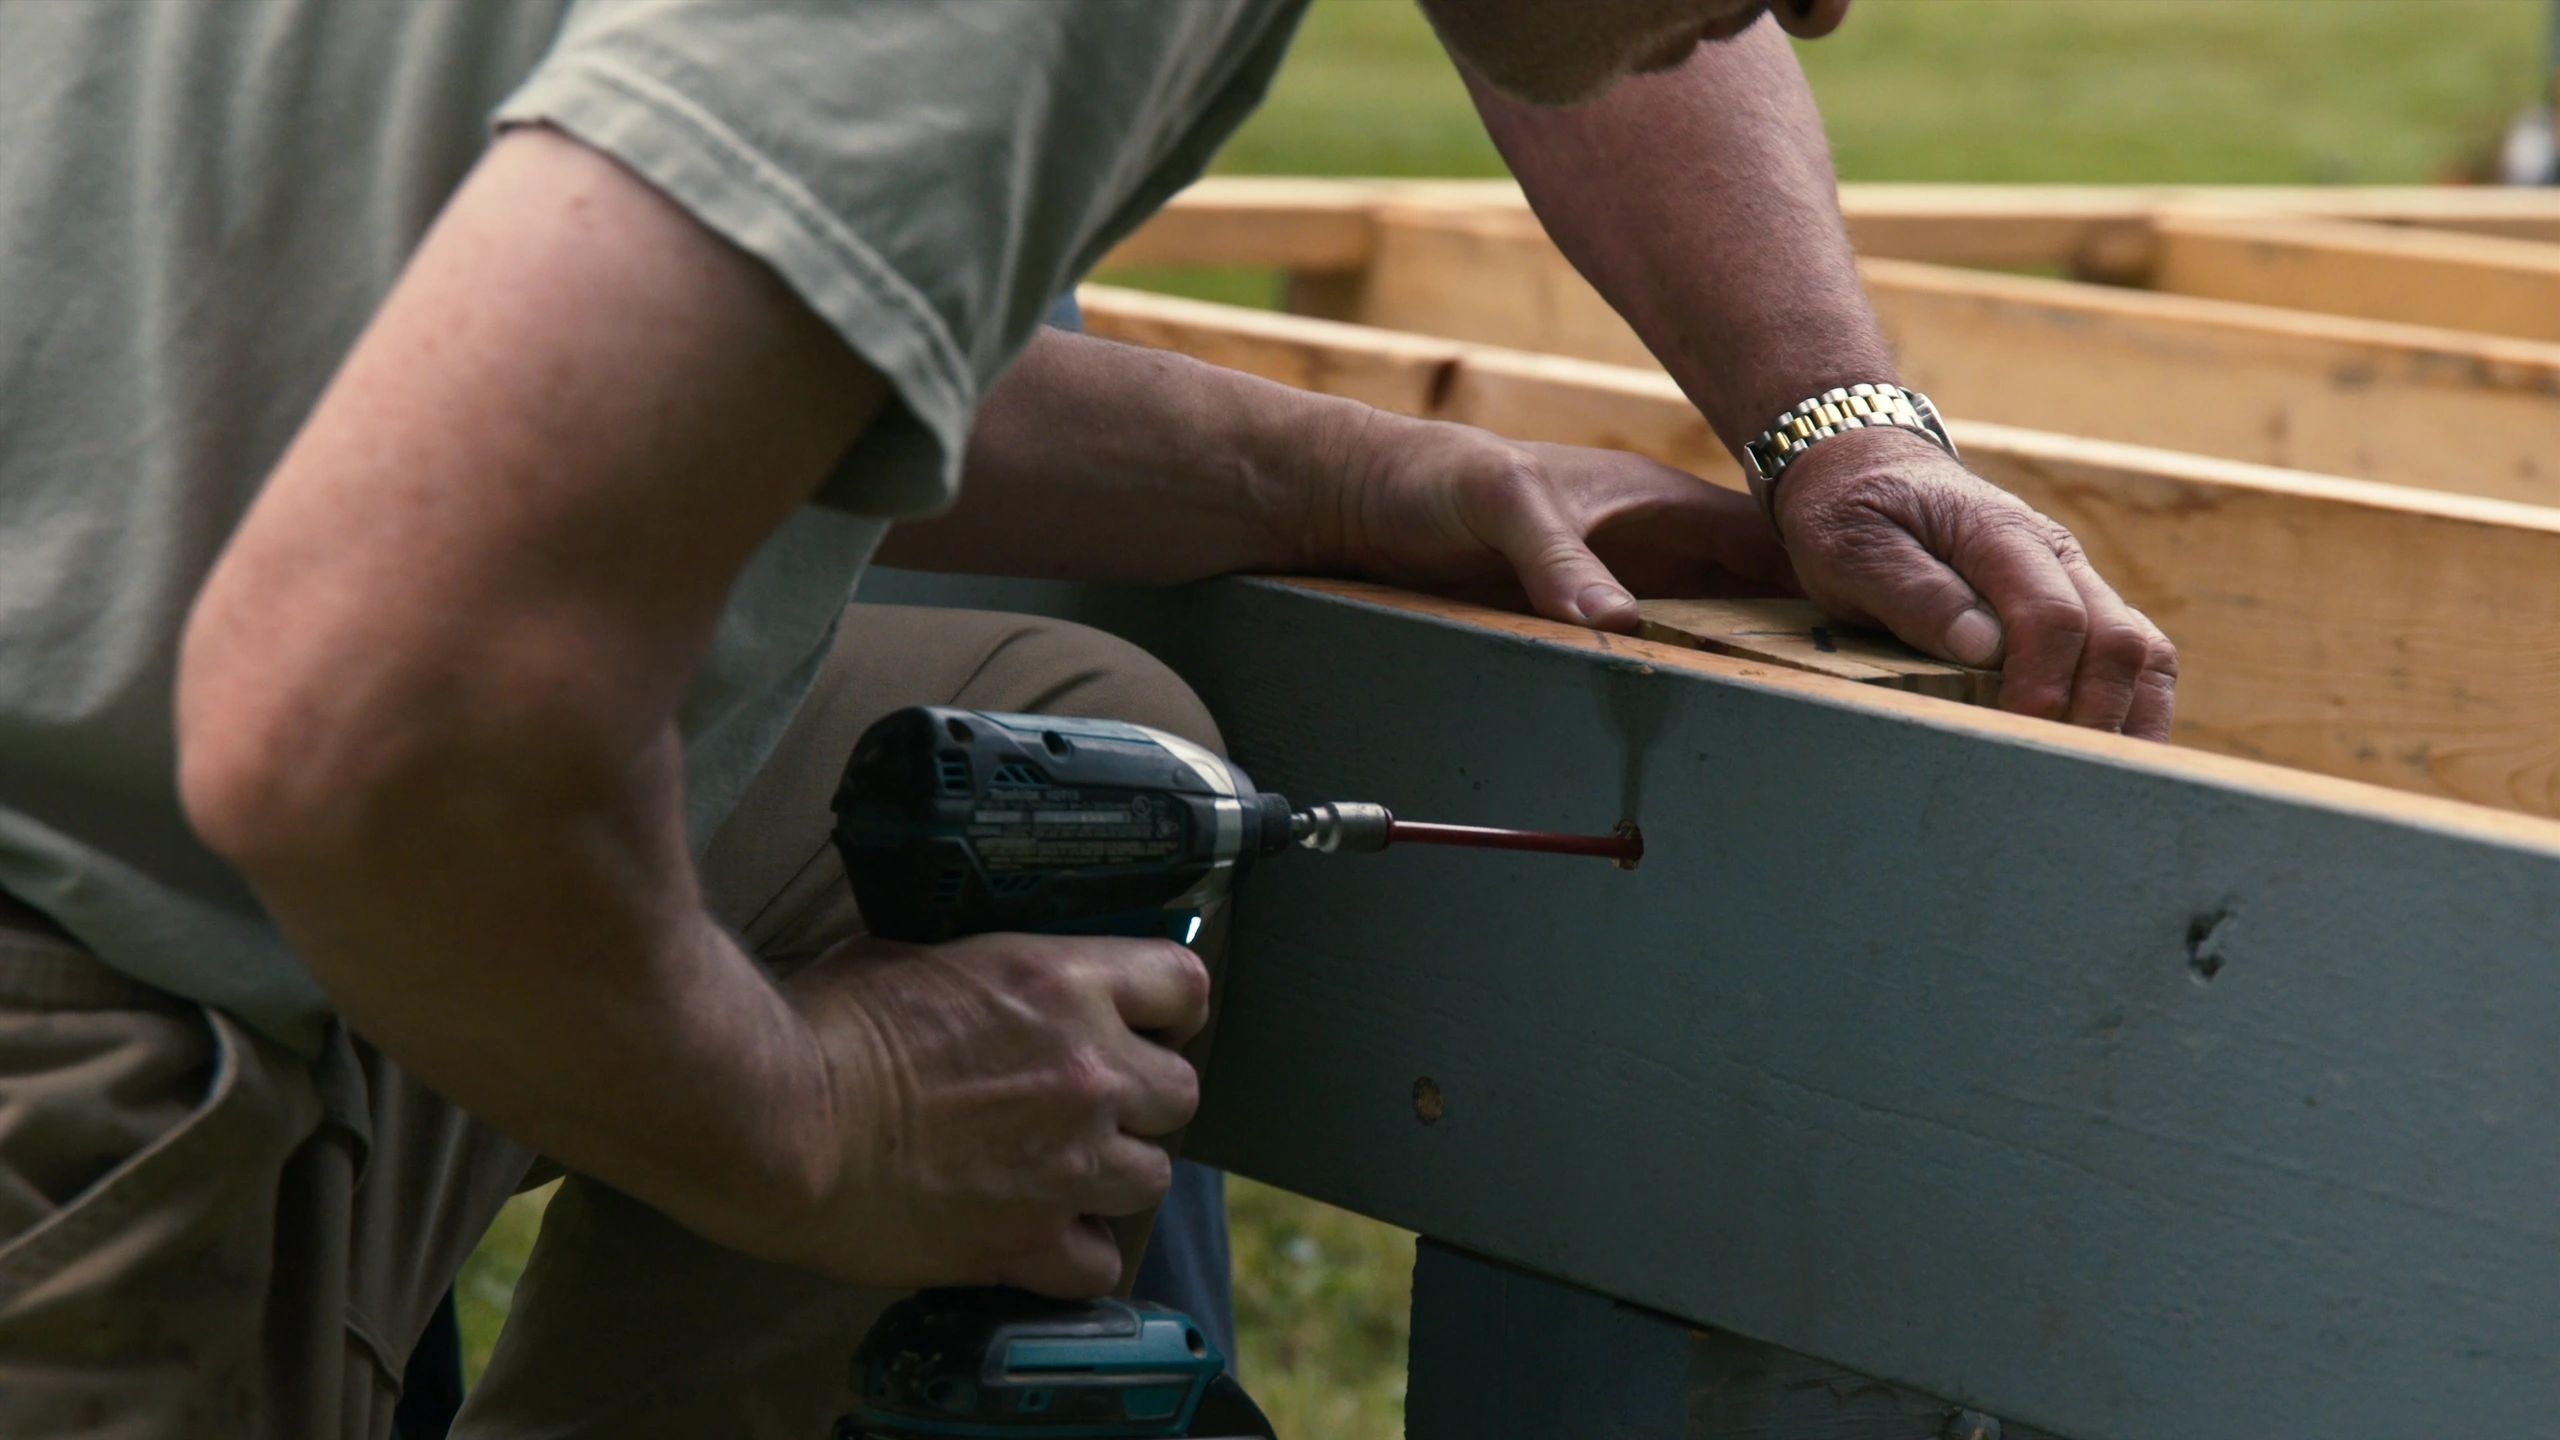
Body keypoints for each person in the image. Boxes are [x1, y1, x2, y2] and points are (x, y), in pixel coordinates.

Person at [0, 1, 2176, 1436]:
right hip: (88, 1013)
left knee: (1039, 749)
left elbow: (651, 365)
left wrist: (1386, 477)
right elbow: (358, 720)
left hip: (125, 717)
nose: (1824, 15)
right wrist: (821, 1117)